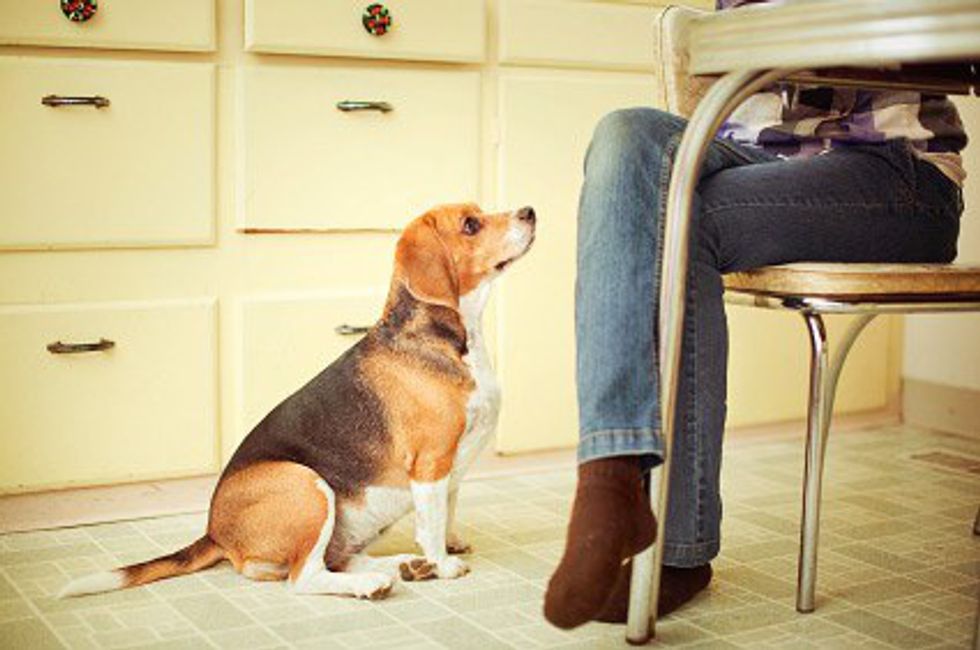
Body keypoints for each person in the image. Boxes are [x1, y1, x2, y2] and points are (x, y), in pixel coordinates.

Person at [543, 0, 967, 629]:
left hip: (894, 170)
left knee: (680, 219)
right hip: (758, 158)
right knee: (626, 134)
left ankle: (676, 547)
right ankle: (610, 479)